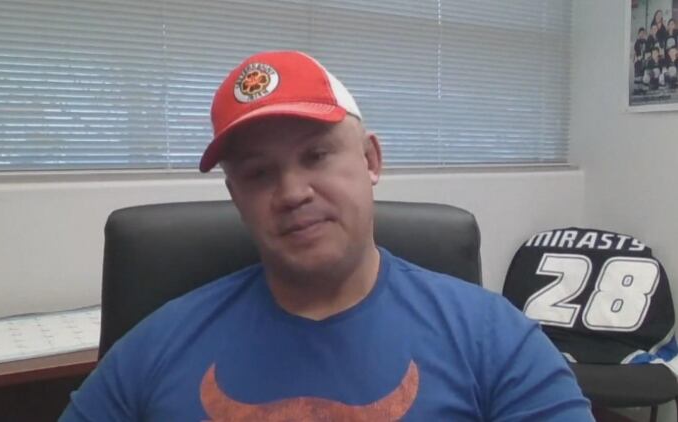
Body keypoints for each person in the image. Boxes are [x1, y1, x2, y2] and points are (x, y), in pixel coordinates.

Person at [60, 51, 592, 421]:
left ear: (370, 160)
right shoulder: (155, 347)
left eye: (315, 155)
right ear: (236, 198)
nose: (291, 192)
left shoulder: (493, 340)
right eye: (258, 173)